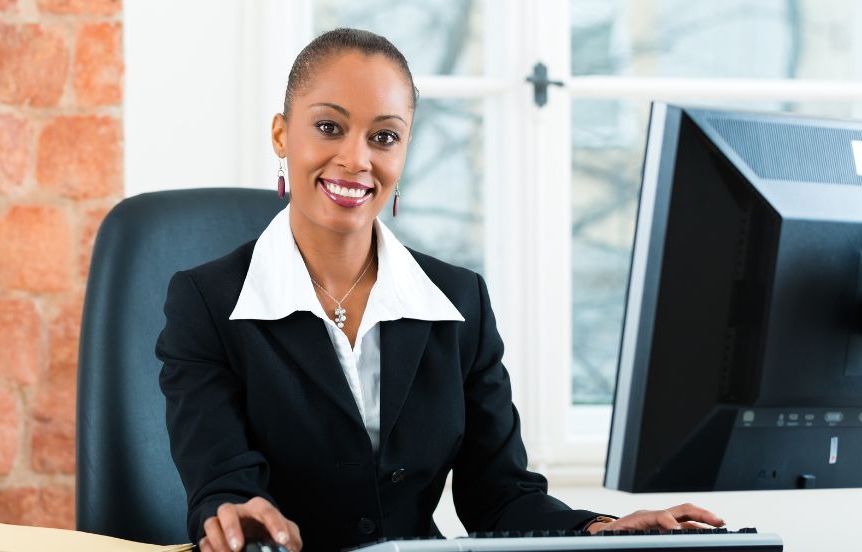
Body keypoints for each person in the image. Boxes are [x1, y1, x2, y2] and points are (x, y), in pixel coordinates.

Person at [156, 28, 724, 552]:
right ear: (282, 134)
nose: (356, 159)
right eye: (329, 127)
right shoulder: (206, 303)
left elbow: (500, 499)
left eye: (384, 136)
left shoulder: (458, 303)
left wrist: (600, 529)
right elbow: (221, 483)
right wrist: (236, 516)